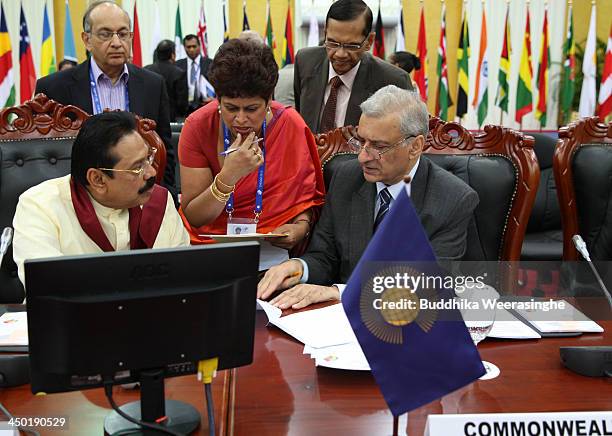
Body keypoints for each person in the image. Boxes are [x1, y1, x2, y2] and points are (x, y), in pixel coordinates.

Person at [258, 86, 478, 309]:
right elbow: (325, 256)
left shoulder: (453, 199)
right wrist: (298, 268)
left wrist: (339, 293)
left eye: (378, 147)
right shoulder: (346, 177)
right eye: (361, 141)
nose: (363, 157)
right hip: (332, 327)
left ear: (415, 146)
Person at [178, 38, 325, 254]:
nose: (240, 119)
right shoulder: (198, 126)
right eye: (230, 108)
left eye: (251, 109)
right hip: (209, 246)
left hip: (273, 249)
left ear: (268, 101)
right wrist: (228, 176)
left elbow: (305, 198)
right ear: (217, 100)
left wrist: (301, 228)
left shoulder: (290, 125)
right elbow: (195, 217)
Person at [12, 111, 190, 287]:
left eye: (148, 159)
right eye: (137, 167)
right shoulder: (40, 206)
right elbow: (48, 288)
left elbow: (183, 280)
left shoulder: (159, 201)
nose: (151, 173)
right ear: (97, 179)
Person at [35, 0, 176, 201]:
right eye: (105, 34)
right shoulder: (53, 88)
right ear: (87, 40)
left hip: (139, 198)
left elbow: (165, 151)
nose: (117, 42)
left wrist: (163, 200)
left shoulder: (153, 85)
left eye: (123, 33)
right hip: (77, 200)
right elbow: (43, 159)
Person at [294, 0, 410, 134]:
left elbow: (401, 141)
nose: (340, 54)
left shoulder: (393, 81)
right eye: (332, 43)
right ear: (325, 33)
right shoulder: (305, 62)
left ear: (369, 41)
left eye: (351, 46)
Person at [145, 40, 188, 122]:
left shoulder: (146, 70)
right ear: (172, 55)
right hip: (172, 120)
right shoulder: (179, 73)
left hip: (149, 119)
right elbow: (182, 103)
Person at [176, 34, 213, 115]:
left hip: (205, 106)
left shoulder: (210, 63)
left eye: (194, 46)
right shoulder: (178, 65)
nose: (191, 49)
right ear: (184, 48)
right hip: (183, 110)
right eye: (188, 47)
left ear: (199, 46)